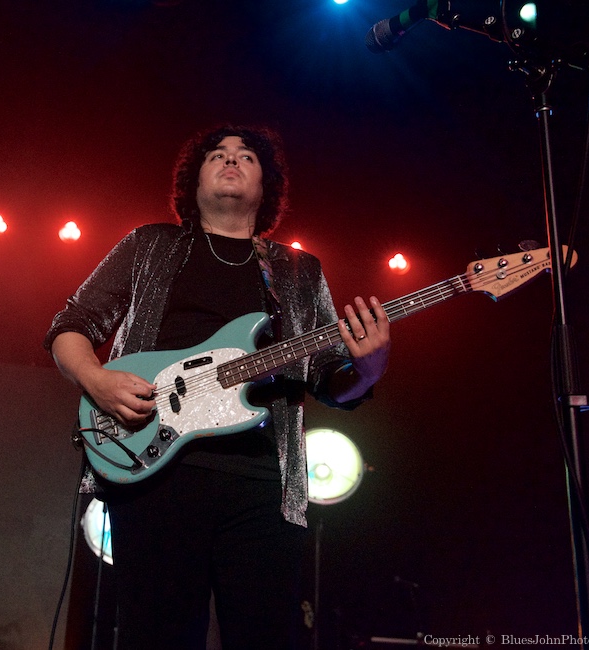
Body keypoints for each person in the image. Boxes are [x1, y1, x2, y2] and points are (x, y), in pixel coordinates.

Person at [44, 124, 390, 649]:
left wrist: (368, 369)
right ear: (194, 180)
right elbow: (70, 325)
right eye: (218, 155)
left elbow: (328, 380)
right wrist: (97, 380)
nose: (232, 160)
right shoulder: (150, 244)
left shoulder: (297, 271)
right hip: (154, 474)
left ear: (266, 184)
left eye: (247, 156)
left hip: (262, 485)